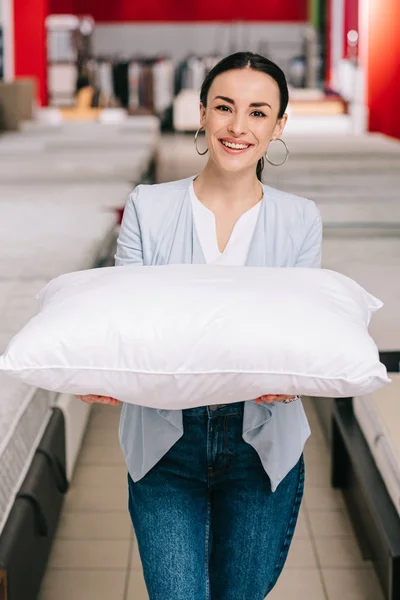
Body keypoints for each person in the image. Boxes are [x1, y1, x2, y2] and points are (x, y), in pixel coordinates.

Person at [76, 52, 322, 600]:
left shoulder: (300, 218)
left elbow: (303, 328)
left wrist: (296, 372)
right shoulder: (149, 206)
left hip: (262, 447)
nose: (239, 127)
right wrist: (105, 366)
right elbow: (127, 315)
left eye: (259, 113)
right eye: (225, 108)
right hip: (166, 447)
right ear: (203, 114)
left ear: (279, 125)